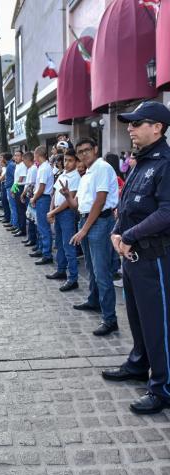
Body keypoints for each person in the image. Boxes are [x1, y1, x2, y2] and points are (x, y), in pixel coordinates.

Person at [102, 101, 170, 414]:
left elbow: (166, 212)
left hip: (154, 255)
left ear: (157, 127)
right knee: (138, 318)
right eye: (130, 123)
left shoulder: (165, 163)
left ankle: (163, 387)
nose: (129, 128)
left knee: (159, 323)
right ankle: (139, 363)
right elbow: (127, 205)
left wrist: (127, 236)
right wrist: (118, 232)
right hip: (131, 256)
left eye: (137, 123)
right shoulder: (142, 162)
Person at [60, 137, 119, 336]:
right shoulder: (86, 173)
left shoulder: (101, 167)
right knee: (92, 269)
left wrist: (84, 229)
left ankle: (110, 319)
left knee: (102, 273)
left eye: (87, 150)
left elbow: (100, 201)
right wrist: (68, 196)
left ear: (95, 149)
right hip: (86, 221)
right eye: (80, 151)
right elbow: (77, 205)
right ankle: (94, 301)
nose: (84, 154)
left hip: (99, 223)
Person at [46, 150, 80, 291]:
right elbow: (54, 194)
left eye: (70, 160)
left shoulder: (76, 177)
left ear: (76, 162)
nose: (66, 163)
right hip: (58, 213)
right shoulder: (62, 174)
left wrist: (53, 211)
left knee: (68, 246)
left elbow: (69, 199)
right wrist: (51, 209)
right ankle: (61, 270)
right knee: (59, 243)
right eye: (65, 160)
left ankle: (73, 278)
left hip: (67, 213)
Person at [30, 146, 54, 264]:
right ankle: (42, 249)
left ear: (39, 155)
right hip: (42, 198)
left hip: (43, 198)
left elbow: (42, 187)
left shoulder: (44, 168)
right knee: (40, 226)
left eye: (34, 155)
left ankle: (47, 254)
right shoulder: (43, 167)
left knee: (44, 227)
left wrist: (34, 198)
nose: (34, 158)